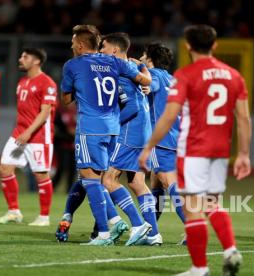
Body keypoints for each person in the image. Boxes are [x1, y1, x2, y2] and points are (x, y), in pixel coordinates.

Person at [139, 25, 252, 276]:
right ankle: (230, 249)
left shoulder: (186, 75)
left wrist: (148, 147)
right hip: (220, 149)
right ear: (215, 45)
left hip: (193, 147)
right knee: (212, 202)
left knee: (191, 205)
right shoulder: (234, 75)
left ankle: (199, 268)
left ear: (188, 46)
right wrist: (243, 153)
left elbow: (168, 116)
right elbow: (243, 118)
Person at [60, 24, 151, 245]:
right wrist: (142, 67)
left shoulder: (73, 65)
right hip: (113, 128)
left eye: (73, 42)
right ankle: (131, 223)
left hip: (90, 127)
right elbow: (146, 81)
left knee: (89, 180)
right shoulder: (115, 62)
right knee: (100, 179)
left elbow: (66, 99)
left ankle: (104, 232)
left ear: (80, 45)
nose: (71, 45)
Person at [100, 33, 158, 246]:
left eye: (103, 47)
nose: (101, 51)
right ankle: (153, 234)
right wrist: (143, 69)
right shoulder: (132, 68)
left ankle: (136, 225)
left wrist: (111, 126)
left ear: (115, 50)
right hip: (144, 132)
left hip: (128, 132)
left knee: (107, 179)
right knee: (137, 182)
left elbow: (131, 106)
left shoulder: (118, 70)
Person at [0, 48, 57, 226]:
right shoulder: (22, 81)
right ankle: (14, 212)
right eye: (21, 55)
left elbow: (45, 112)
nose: (20, 59)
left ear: (36, 61)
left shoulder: (47, 83)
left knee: (41, 175)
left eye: (25, 57)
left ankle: (44, 217)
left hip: (38, 137)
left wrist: (29, 132)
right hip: (19, 135)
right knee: (5, 168)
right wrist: (22, 132)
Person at [140, 42, 186, 232]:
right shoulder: (173, 79)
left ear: (150, 59)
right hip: (178, 137)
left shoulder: (155, 75)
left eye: (143, 54)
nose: (141, 57)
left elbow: (152, 83)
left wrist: (148, 87)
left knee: (168, 182)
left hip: (162, 139)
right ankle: (151, 229)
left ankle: (192, 227)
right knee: (156, 183)